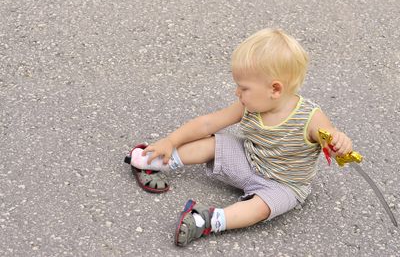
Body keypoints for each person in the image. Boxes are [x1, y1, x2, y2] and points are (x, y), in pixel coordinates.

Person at [126, 28, 353, 246]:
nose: (237, 93)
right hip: (248, 161)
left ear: (275, 89)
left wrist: (339, 143)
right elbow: (207, 123)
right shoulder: (250, 106)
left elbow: (331, 139)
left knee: (262, 209)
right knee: (214, 143)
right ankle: (153, 161)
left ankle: (207, 221)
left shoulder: (310, 118)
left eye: (243, 88)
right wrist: (171, 140)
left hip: (285, 184)